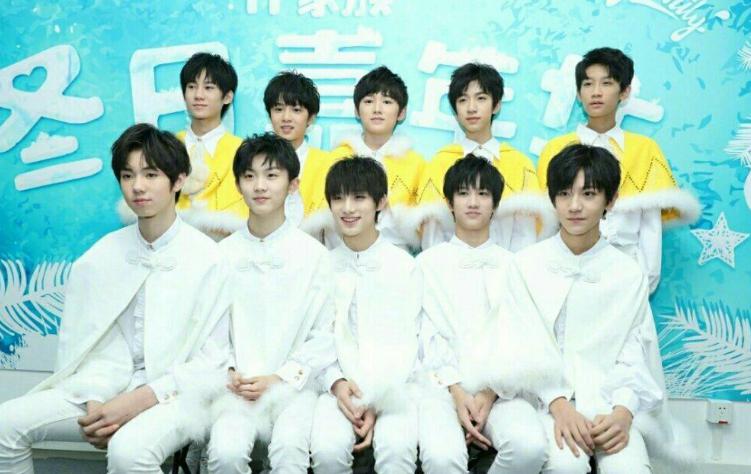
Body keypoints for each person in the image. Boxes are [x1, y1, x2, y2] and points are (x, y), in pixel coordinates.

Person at [0, 123, 231, 473]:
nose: (137, 186)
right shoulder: (100, 257)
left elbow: (213, 362)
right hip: (103, 387)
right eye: (127, 175)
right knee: (5, 424)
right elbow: (91, 346)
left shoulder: (210, 259)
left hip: (177, 394)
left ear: (179, 180)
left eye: (150, 174)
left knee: (129, 452)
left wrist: (137, 401)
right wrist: (96, 399)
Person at [507, 144, 690, 473]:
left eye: (588, 194)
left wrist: (623, 412)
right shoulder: (525, 265)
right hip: (544, 403)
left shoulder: (628, 272)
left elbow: (636, 351)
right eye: (565, 193)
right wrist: (559, 405)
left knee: (630, 469)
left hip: (610, 403)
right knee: (567, 466)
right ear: (552, 198)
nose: (574, 206)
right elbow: (522, 345)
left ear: (611, 200)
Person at [206, 132, 335, 473]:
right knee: (225, 454)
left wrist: (281, 377)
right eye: (249, 176)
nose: (260, 186)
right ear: (238, 185)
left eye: (271, 175)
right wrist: (229, 371)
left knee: (289, 452)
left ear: (293, 185)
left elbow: (326, 334)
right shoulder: (221, 255)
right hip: (236, 388)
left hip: (295, 387)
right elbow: (208, 329)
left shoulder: (315, 255)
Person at [417, 155, 547, 474]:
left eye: (483, 194)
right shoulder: (426, 264)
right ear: (449, 203)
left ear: (495, 204)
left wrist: (490, 392)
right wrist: (456, 389)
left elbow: (523, 337)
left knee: (529, 447)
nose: (473, 202)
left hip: (503, 390)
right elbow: (424, 334)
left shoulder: (515, 266)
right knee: (442, 458)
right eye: (463, 193)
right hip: (440, 388)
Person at [537, 47, 700, 293]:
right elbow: (546, 222)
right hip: (565, 269)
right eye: (588, 84)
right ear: (578, 93)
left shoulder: (644, 149)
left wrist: (644, 284)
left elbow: (650, 227)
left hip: (625, 268)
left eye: (606, 83)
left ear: (625, 91)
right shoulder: (556, 149)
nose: (596, 92)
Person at [310, 157, 421, 473]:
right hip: (334, 387)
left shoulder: (404, 266)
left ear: (380, 202)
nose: (347, 208)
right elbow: (316, 337)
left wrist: (377, 398)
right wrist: (336, 383)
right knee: (327, 451)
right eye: (338, 198)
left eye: (359, 197)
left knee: (397, 450)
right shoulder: (321, 266)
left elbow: (410, 342)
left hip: (395, 387)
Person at [415, 62, 555, 252]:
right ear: (455, 110)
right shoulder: (440, 163)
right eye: (463, 100)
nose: (471, 108)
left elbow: (526, 236)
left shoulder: (519, 164)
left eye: (481, 98)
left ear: (496, 105)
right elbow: (432, 236)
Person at [329, 66, 426, 250]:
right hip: (342, 251)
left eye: (387, 101)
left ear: (401, 113)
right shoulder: (336, 159)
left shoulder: (416, 164)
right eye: (368, 101)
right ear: (357, 111)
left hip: (396, 253)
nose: (377, 109)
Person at [263, 71, 337, 238]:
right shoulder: (254, 163)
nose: (286, 118)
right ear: (269, 114)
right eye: (278, 109)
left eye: (296, 110)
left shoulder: (328, 164)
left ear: (311, 118)